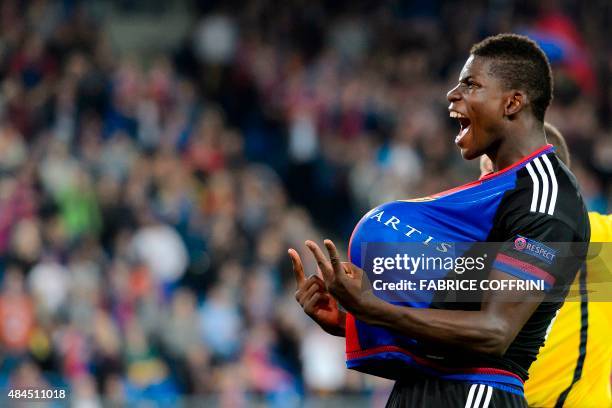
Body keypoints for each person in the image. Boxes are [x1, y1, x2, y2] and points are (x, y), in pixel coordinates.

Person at [289, 33, 590, 407]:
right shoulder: (493, 200)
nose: (451, 94)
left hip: (476, 392)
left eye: (470, 84)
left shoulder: (547, 197)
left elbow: (494, 332)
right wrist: (350, 320)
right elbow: (448, 318)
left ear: (512, 102)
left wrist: (376, 309)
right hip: (422, 389)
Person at [480, 122, 611, 407]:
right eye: (485, 174)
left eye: (496, 173)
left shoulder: (597, 238)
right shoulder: (472, 243)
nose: (485, 185)